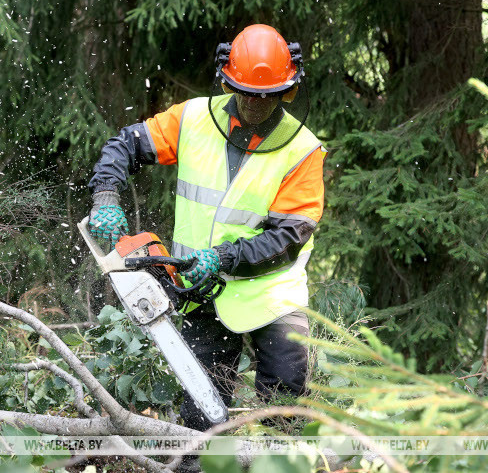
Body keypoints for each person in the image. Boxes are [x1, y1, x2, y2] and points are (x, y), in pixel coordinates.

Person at [86, 24, 326, 439]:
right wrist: (106, 193)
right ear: (227, 80)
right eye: (246, 91)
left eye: (265, 94)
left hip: (271, 292)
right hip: (201, 290)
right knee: (201, 414)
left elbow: (287, 239)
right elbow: (125, 144)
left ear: (286, 90)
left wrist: (225, 258)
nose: (254, 102)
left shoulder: (302, 150)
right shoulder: (193, 118)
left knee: (284, 402)